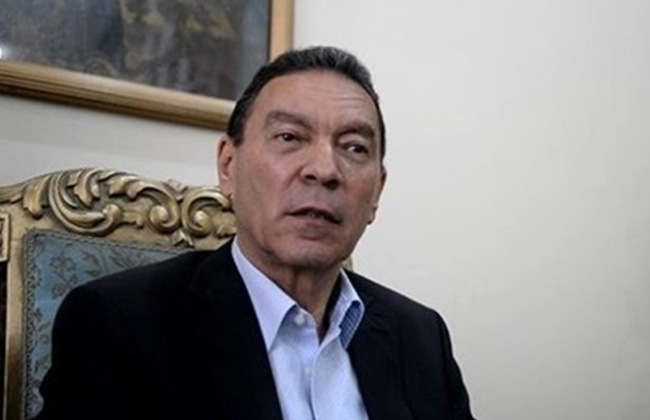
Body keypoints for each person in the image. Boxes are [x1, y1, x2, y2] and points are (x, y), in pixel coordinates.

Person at [35, 46, 476, 420]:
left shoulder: (420, 337)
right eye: (289, 137)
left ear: (377, 191)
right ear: (228, 166)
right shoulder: (119, 323)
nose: (324, 169)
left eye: (354, 148)